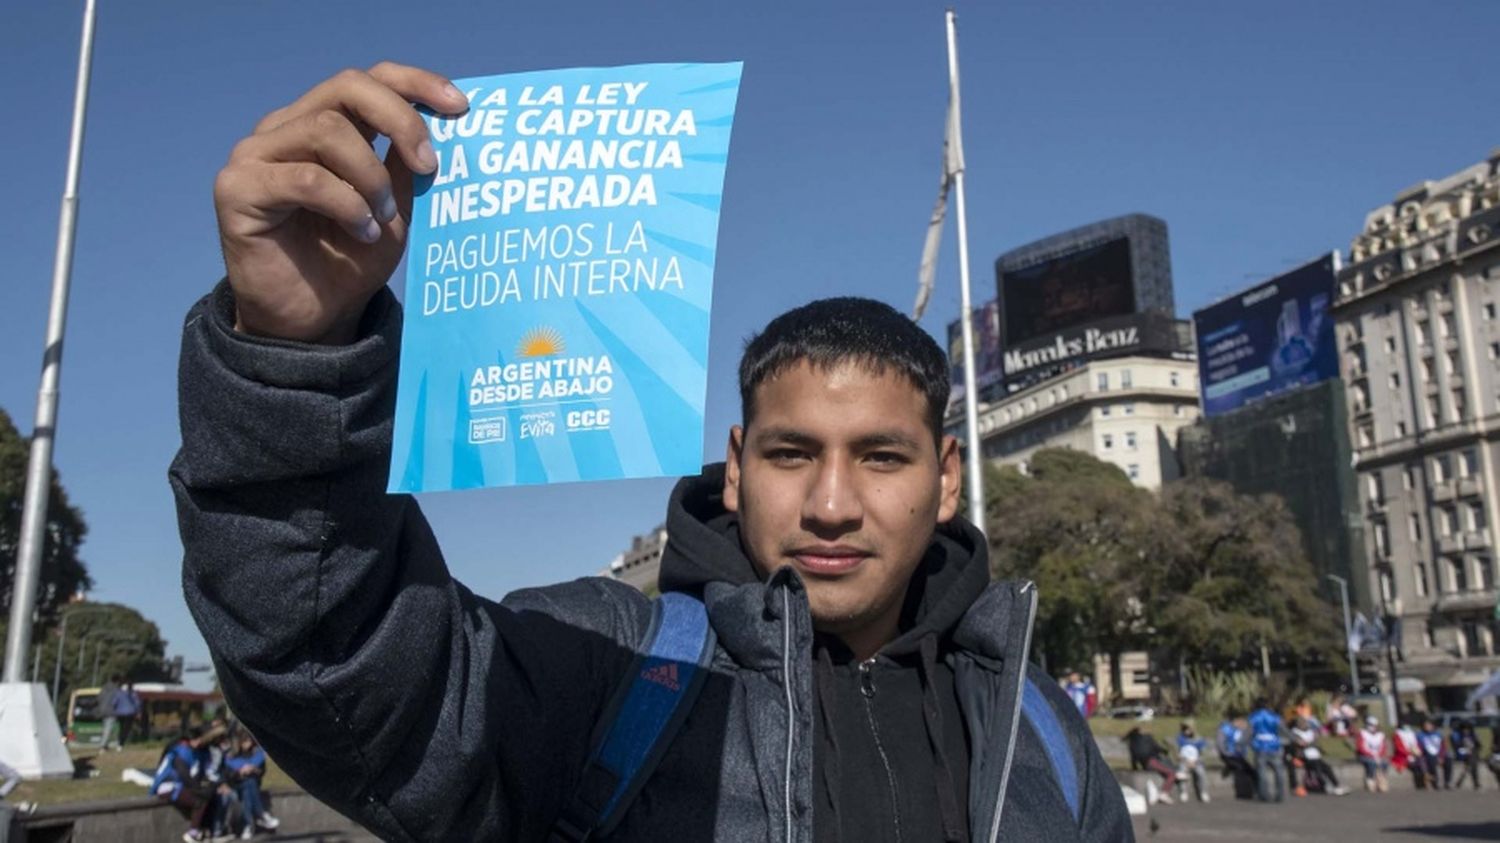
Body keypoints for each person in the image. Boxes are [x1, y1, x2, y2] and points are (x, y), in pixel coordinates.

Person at [172, 62, 1132, 843]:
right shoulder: (608, 665)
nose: (832, 503)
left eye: (882, 458)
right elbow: (340, 671)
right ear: (737, 461)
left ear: (948, 476)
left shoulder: (1041, 732)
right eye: (793, 454)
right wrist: (292, 358)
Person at [152, 725, 222, 842]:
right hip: (167, 786)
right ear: (191, 739)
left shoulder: (196, 751)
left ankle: (204, 831)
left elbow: (199, 773)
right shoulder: (181, 751)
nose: (200, 743)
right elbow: (183, 774)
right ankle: (192, 833)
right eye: (198, 740)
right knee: (199, 800)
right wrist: (198, 789)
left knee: (209, 796)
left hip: (180, 786)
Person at [225, 732, 279, 839]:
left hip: (251, 785)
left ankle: (248, 825)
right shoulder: (232, 756)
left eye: (249, 742)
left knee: (248, 791)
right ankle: (261, 814)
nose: (247, 744)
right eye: (245, 742)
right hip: (237, 784)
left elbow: (262, 772)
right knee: (248, 785)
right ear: (240, 743)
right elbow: (228, 775)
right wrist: (240, 772)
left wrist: (254, 770)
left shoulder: (257, 755)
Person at [1288, 716, 1346, 796]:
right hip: (1303, 756)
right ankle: (1324, 785)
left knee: (1327, 767)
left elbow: (1315, 742)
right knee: (1317, 767)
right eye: (1302, 723)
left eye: (1305, 722)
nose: (1304, 724)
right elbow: (1301, 743)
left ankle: (1337, 786)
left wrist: (1309, 743)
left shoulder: (1310, 732)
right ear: (1298, 724)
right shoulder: (1294, 733)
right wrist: (1309, 743)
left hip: (1314, 756)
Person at [1126, 727, 1178, 805]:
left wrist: (1135, 768)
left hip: (1145, 765)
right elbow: (1157, 748)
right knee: (1171, 773)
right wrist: (1165, 751)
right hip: (1152, 762)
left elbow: (1133, 759)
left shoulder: (1132, 743)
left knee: (1167, 769)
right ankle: (1164, 793)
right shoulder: (1147, 738)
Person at [1248, 698, 1286, 802]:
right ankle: (1280, 795)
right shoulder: (1274, 717)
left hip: (1260, 746)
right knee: (1279, 771)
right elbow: (1283, 730)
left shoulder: (1253, 717)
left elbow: (1250, 731)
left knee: (1262, 772)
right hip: (1274, 746)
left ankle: (1264, 795)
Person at [1216, 712, 1256, 799]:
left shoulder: (1242, 730)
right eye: (1242, 722)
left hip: (1238, 755)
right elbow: (1220, 744)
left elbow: (1248, 741)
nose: (1244, 725)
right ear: (1236, 721)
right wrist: (1227, 753)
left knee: (1251, 771)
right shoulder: (1225, 728)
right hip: (1228, 754)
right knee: (1239, 769)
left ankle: (1252, 792)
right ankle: (1242, 793)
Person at [1352, 716, 1390, 792]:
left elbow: (1383, 747)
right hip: (1365, 756)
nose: (1373, 727)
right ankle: (1370, 779)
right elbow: (1361, 748)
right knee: (1371, 763)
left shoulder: (1380, 735)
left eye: (1375, 725)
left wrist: (1378, 755)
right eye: (1371, 725)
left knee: (1385, 762)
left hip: (1378, 756)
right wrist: (1372, 755)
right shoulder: (1362, 733)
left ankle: (1382, 780)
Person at [1175, 722, 1209, 803]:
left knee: (1201, 773)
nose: (1187, 731)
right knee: (1182, 772)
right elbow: (1177, 752)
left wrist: (1195, 761)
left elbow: (1203, 754)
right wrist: (1183, 759)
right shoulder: (1180, 738)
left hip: (1196, 761)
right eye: (1185, 729)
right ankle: (1183, 792)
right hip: (1184, 761)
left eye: (1188, 729)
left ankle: (1203, 792)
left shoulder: (1199, 739)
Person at [1417, 718, 1449, 790]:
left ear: (1432, 726)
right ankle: (1435, 782)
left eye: (1428, 725)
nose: (1427, 727)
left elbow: (1443, 747)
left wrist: (1441, 756)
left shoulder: (1438, 734)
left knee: (1448, 759)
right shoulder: (1420, 735)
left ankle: (1447, 782)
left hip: (1438, 754)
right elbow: (1419, 747)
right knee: (1431, 760)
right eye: (1425, 725)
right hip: (1427, 754)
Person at [109, 680, 142, 750]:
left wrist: (116, 708)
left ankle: (119, 741)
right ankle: (121, 743)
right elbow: (137, 703)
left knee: (121, 727)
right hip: (130, 713)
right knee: (126, 728)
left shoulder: (119, 693)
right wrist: (138, 711)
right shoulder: (133, 693)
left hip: (120, 713)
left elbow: (113, 702)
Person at [1450, 720, 1481, 790]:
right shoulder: (1457, 735)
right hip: (1461, 753)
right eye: (1464, 729)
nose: (1466, 731)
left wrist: (1474, 746)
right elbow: (1457, 747)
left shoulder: (1473, 735)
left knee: (1472, 761)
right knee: (1472, 761)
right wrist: (1466, 750)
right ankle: (1476, 782)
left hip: (1471, 755)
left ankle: (1461, 782)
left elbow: (1478, 746)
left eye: (1468, 729)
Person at [97, 674, 121, 751]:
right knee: (109, 728)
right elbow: (117, 701)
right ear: (117, 681)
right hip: (111, 711)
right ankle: (103, 745)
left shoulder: (104, 688)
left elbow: (99, 698)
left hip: (102, 710)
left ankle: (106, 745)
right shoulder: (116, 689)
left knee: (106, 728)